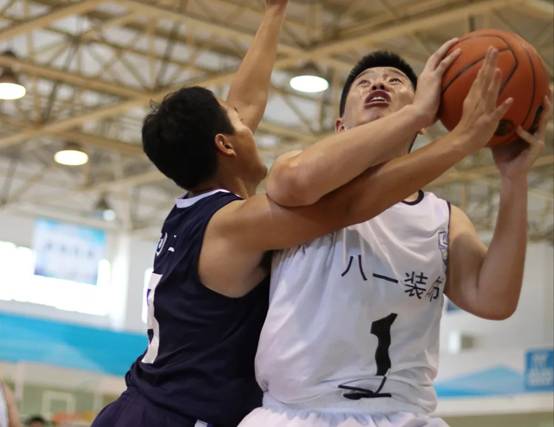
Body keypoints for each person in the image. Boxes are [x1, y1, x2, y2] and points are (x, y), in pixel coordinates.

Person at [94, 0, 517, 424]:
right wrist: (455, 138)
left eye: (395, 80)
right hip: (187, 415)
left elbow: (245, 103)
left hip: (165, 403)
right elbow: (346, 205)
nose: (248, 122)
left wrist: (274, 13)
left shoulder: (209, 207)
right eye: (239, 123)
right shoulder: (248, 218)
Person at [238, 46, 552, 427]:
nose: (379, 84)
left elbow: (494, 299)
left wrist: (514, 180)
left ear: (423, 125)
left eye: (395, 80)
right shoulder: (302, 175)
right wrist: (429, 120)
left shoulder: (444, 217)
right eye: (364, 83)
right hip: (297, 414)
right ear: (340, 126)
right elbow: (293, 182)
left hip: (401, 416)